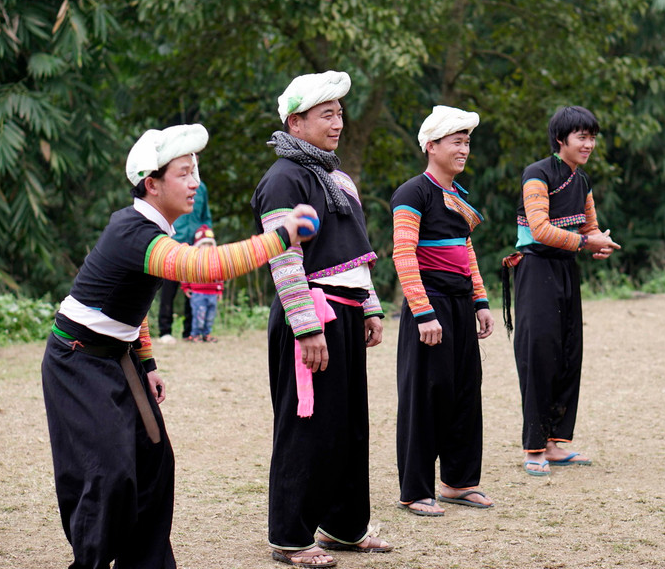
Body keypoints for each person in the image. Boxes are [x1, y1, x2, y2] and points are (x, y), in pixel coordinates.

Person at [41, 123, 317, 569]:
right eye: (184, 173)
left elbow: (136, 304)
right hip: (76, 360)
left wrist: (146, 359)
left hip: (121, 358)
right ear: (152, 184)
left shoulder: (153, 232)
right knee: (108, 474)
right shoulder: (133, 232)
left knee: (154, 462)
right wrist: (280, 236)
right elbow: (204, 266)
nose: (195, 183)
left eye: (196, 171)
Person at [251, 70, 392, 567]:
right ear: (296, 121)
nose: (338, 122)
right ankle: (289, 536)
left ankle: (344, 527)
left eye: (340, 113)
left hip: (349, 314)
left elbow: (355, 255)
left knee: (350, 425)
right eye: (327, 114)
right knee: (306, 424)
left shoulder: (338, 178)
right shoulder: (282, 179)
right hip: (310, 315)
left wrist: (371, 308)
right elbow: (284, 259)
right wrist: (307, 325)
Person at [500, 105, 621, 478]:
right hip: (535, 270)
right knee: (539, 354)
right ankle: (533, 447)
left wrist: (599, 244)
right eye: (582, 136)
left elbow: (590, 228)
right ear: (560, 139)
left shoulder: (580, 180)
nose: (589, 144)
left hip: (566, 270)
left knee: (568, 353)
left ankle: (555, 444)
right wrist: (587, 242)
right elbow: (539, 229)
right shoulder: (537, 174)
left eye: (592, 137)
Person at [391, 105, 496, 517]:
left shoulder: (456, 197)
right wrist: (423, 312)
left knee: (465, 393)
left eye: (468, 142)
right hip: (429, 308)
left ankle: (459, 482)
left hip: (459, 306)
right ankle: (415, 489)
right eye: (457, 141)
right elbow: (403, 255)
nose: (465, 149)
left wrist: (481, 302)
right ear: (431, 146)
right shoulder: (412, 193)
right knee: (424, 397)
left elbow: (466, 252)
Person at [157, 180, 212, 344]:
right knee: (168, 291)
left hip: (195, 247)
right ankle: (165, 331)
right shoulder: (171, 185)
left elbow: (205, 218)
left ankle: (190, 331)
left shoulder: (202, 188)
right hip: (173, 245)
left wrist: (205, 236)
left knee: (194, 290)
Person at [180, 224, 224, 343]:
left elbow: (220, 276)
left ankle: (207, 334)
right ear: (198, 246)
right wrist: (186, 287)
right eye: (204, 244)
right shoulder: (194, 261)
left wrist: (219, 290)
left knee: (210, 316)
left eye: (209, 244)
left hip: (212, 294)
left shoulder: (215, 261)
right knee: (199, 315)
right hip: (198, 293)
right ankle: (195, 335)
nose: (207, 247)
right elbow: (185, 274)